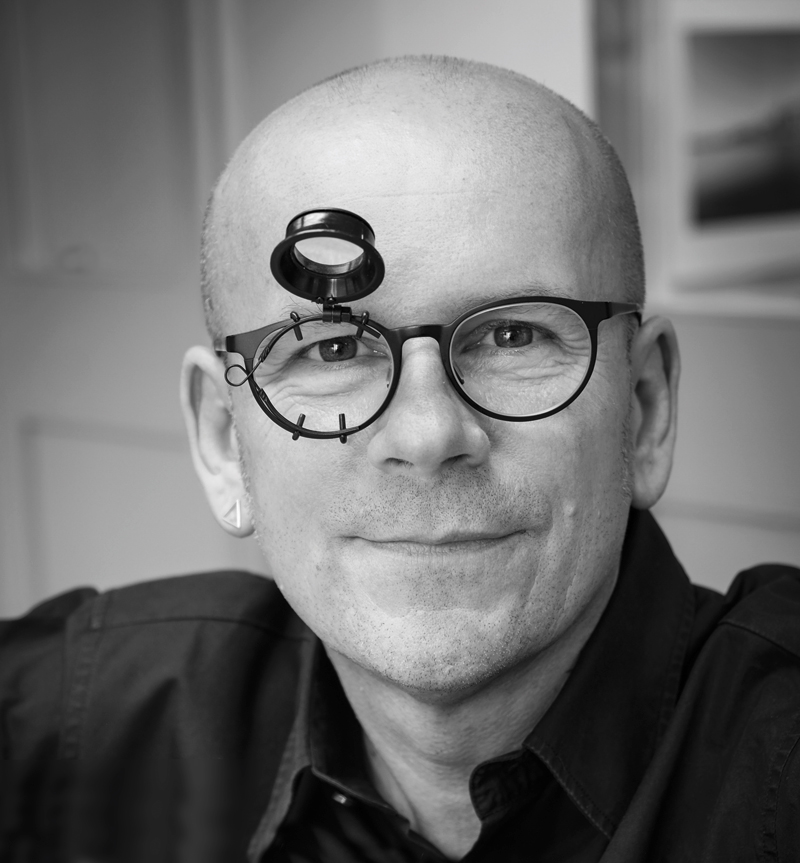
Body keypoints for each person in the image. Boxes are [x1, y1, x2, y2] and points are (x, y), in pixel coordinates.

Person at [1, 56, 799, 863]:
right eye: (332, 347)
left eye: (512, 335)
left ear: (644, 408)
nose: (426, 434)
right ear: (222, 441)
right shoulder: (82, 718)